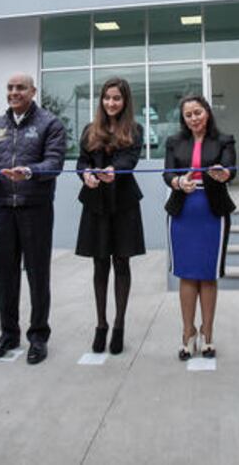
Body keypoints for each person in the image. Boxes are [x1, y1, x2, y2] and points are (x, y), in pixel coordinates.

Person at [0, 73, 66, 365]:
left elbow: (54, 162)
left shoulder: (50, 124)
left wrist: (29, 172)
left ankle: (38, 336)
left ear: (33, 91)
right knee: (6, 275)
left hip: (35, 209)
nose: (14, 92)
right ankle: (8, 334)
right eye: (10, 88)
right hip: (4, 208)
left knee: (37, 274)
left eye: (20, 88)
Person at [75, 77, 146, 355]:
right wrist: (86, 174)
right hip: (96, 203)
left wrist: (113, 170)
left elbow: (130, 159)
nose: (111, 103)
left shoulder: (135, 129)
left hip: (123, 203)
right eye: (107, 98)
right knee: (100, 263)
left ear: (125, 101)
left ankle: (119, 325)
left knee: (122, 262)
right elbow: (82, 160)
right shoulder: (90, 129)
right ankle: (101, 324)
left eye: (116, 98)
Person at [164, 95, 235, 360]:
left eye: (198, 112)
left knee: (207, 274)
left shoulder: (224, 139)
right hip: (183, 211)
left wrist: (224, 173)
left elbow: (230, 168)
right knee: (186, 274)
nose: (194, 118)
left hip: (212, 211)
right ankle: (188, 332)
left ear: (207, 112)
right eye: (188, 115)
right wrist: (178, 182)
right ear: (183, 119)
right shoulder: (174, 142)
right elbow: (168, 173)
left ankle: (208, 333)